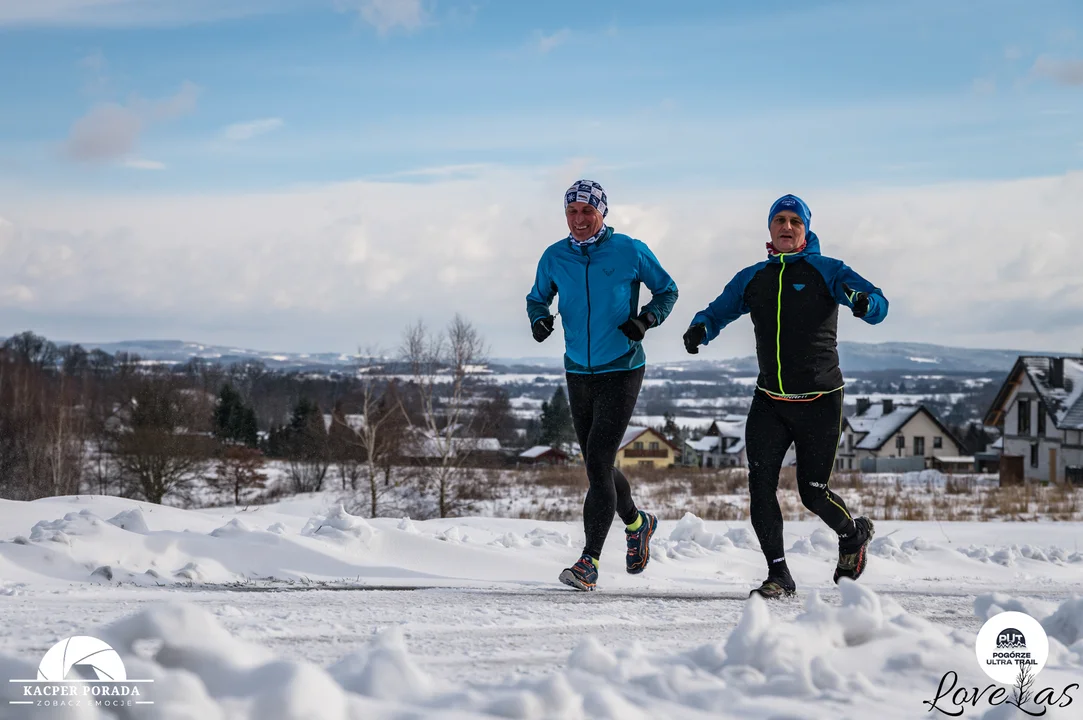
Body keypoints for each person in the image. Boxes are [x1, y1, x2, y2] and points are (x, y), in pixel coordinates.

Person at [683, 194, 888, 599]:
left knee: (812, 492)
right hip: (770, 401)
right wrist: (701, 328)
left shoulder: (827, 270)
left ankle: (853, 535)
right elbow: (720, 309)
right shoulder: (753, 278)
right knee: (760, 488)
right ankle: (779, 574)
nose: (787, 226)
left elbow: (877, 304)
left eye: (795, 220)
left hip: (820, 401)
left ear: (806, 230)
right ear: (771, 230)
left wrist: (865, 304)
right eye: (780, 219)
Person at [527, 179, 678, 591]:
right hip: (578, 369)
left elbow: (667, 290)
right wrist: (539, 317)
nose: (578, 220)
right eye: (572, 212)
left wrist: (646, 319)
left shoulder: (629, 249)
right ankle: (637, 522)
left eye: (586, 212)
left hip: (622, 366)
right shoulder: (554, 257)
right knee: (600, 464)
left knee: (596, 460)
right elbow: (536, 297)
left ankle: (588, 562)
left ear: (602, 213)